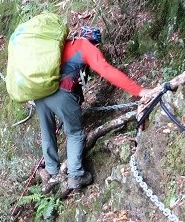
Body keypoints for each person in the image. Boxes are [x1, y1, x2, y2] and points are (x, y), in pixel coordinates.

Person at [35, 26, 160, 197]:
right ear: (95, 43)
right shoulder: (85, 47)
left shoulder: (62, 44)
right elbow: (107, 71)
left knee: (47, 130)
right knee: (75, 133)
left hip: (39, 92)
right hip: (59, 93)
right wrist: (138, 90)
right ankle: (75, 175)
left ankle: (51, 170)